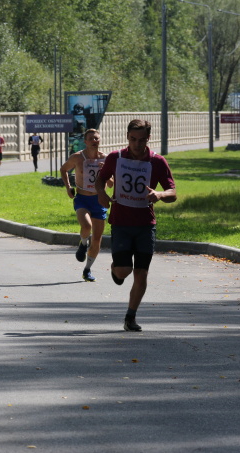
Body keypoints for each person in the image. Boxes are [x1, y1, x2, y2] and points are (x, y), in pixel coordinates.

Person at [96, 119, 177, 332]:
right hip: (121, 223)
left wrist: (159, 194)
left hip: (145, 225)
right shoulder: (116, 157)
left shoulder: (157, 162)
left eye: (141, 140)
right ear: (127, 137)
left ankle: (130, 317)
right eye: (133, 139)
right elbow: (100, 179)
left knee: (141, 274)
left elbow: (172, 192)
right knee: (124, 272)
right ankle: (116, 270)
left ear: (148, 139)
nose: (137, 144)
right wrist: (102, 194)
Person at [59, 129, 113, 282]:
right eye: (91, 138)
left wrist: (105, 173)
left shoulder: (106, 159)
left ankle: (87, 269)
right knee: (86, 226)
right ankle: (83, 244)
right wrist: (68, 187)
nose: (94, 141)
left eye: (96, 138)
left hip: (99, 200)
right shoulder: (77, 157)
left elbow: (110, 183)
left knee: (97, 239)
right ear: (86, 141)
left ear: (100, 140)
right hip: (82, 198)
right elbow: (63, 169)